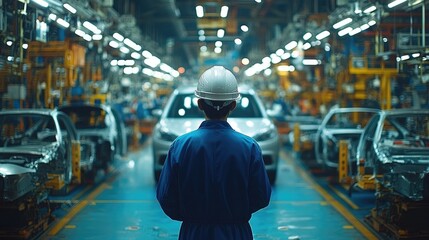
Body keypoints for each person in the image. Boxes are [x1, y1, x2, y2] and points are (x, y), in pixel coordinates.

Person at [156, 66, 271, 240]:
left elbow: (166, 196)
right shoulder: (249, 148)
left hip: (193, 232)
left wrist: (193, 218)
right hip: (236, 232)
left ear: (200, 103)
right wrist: (234, 215)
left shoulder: (180, 146)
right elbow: (261, 196)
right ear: (233, 105)